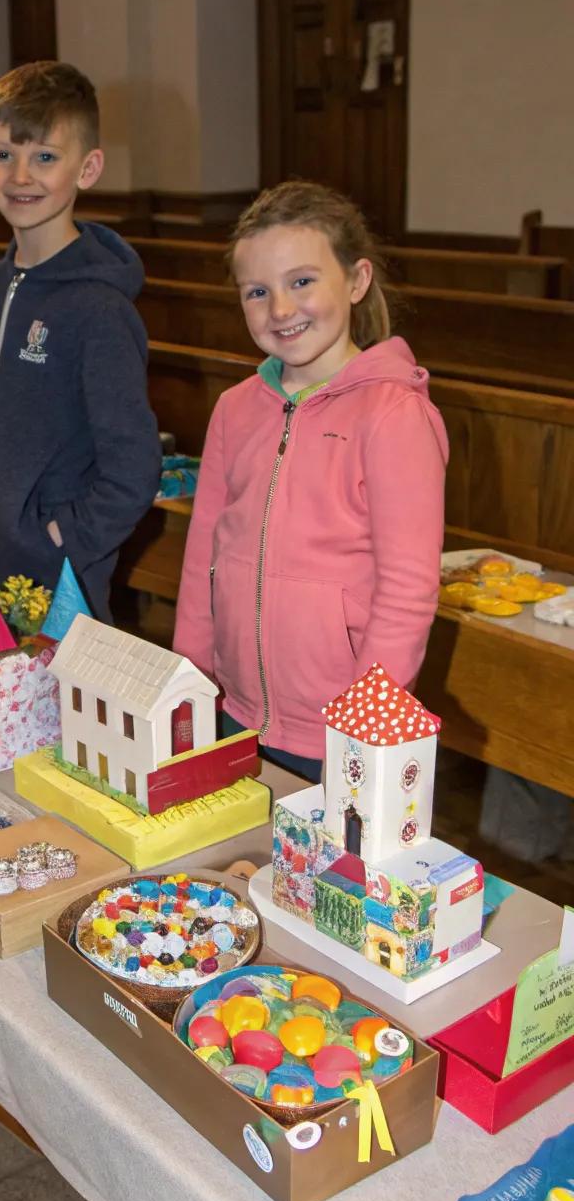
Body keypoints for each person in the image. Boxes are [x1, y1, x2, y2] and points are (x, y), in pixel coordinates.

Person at [173, 180, 448, 781]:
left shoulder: (393, 415)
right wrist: (187, 682)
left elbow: (408, 591)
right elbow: (203, 559)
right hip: (233, 710)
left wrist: (364, 731)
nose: (279, 310)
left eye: (302, 282)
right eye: (257, 291)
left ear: (356, 280)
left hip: (338, 731)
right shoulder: (236, 408)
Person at [0, 61, 160, 620]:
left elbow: (134, 469)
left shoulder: (99, 309)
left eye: (45, 157)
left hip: (56, 580)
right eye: (3, 155)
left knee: (56, 710)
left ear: (87, 168)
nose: (21, 176)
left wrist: (60, 538)